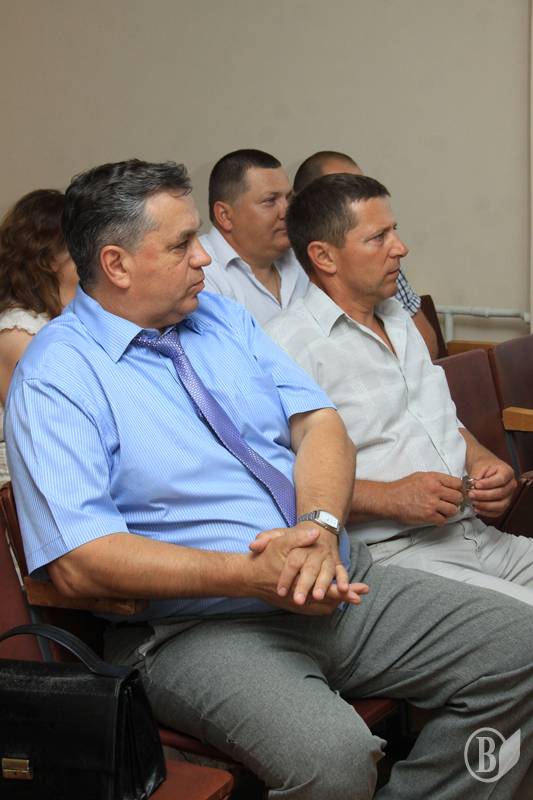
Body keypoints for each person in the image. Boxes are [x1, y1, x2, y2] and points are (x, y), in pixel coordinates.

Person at [6, 159, 533, 800]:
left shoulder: (221, 320)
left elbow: (321, 424)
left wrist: (319, 527)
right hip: (198, 630)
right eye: (181, 243)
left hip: (339, 579)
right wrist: (253, 575)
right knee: (334, 759)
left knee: (522, 649)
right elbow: (80, 563)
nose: (204, 256)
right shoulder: (56, 376)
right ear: (116, 264)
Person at [266, 172, 533, 606]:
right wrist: (389, 499)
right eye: (378, 237)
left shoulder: (396, 318)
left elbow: (439, 421)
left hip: (476, 535)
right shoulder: (286, 345)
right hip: (396, 555)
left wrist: (483, 461)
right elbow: (278, 482)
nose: (400, 248)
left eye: (395, 230)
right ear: (324, 256)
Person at [293, 150, 439, 357]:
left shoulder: (392, 304)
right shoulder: (292, 341)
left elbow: (427, 351)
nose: (401, 249)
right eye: (378, 237)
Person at [0, 189, 78, 483]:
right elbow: (44, 426)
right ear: (50, 258)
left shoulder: (62, 314)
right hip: (28, 482)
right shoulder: (18, 332)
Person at [201, 149, 308, 325]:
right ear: (225, 216)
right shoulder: (200, 273)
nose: (287, 211)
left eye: (289, 198)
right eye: (270, 201)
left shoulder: (303, 256)